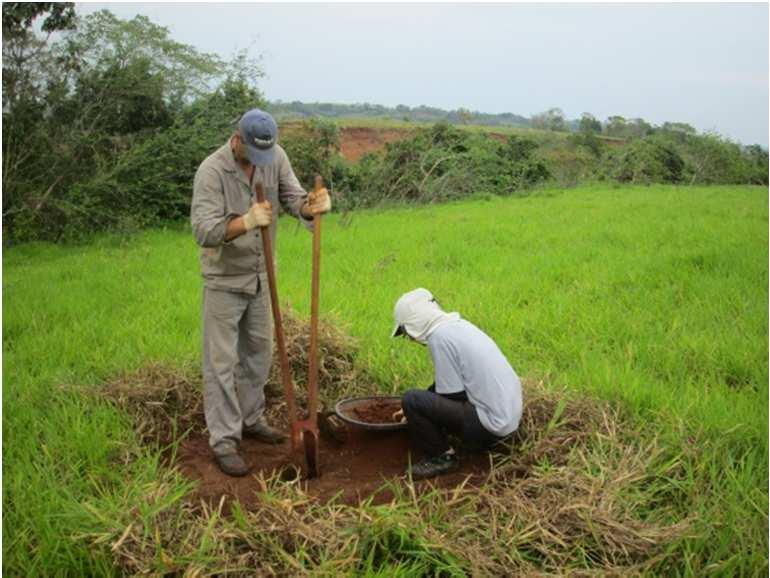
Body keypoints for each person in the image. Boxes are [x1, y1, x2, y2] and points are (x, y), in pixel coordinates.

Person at [190, 108, 331, 477]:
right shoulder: (211, 171)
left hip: (261, 277)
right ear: (238, 140)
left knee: (259, 353)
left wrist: (312, 207)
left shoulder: (275, 157)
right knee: (220, 363)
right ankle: (224, 439)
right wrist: (246, 221)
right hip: (224, 280)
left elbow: (294, 197)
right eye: (253, 152)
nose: (260, 161)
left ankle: (251, 419)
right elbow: (204, 230)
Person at [391, 288, 523, 480]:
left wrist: (416, 411)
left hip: (493, 424)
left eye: (406, 332)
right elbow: (451, 384)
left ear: (415, 324)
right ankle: (472, 444)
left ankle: (442, 457)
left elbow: (451, 395)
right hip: (509, 416)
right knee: (420, 400)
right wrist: (426, 403)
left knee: (412, 399)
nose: (410, 339)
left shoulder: (439, 337)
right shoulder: (458, 326)